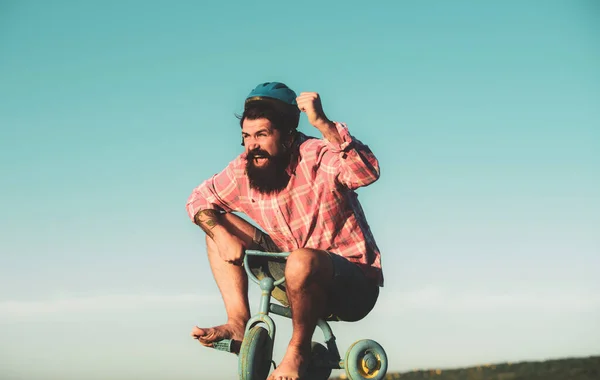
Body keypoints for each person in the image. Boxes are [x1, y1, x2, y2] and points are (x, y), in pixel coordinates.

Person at [185, 81, 384, 380]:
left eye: (262, 135)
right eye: (246, 137)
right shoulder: (244, 169)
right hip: (292, 276)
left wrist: (324, 124)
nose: (252, 146)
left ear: (289, 136)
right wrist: (221, 234)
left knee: (302, 259)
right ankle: (238, 324)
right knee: (217, 226)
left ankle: (298, 352)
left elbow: (366, 171)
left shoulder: (317, 156)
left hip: (351, 286)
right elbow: (197, 199)